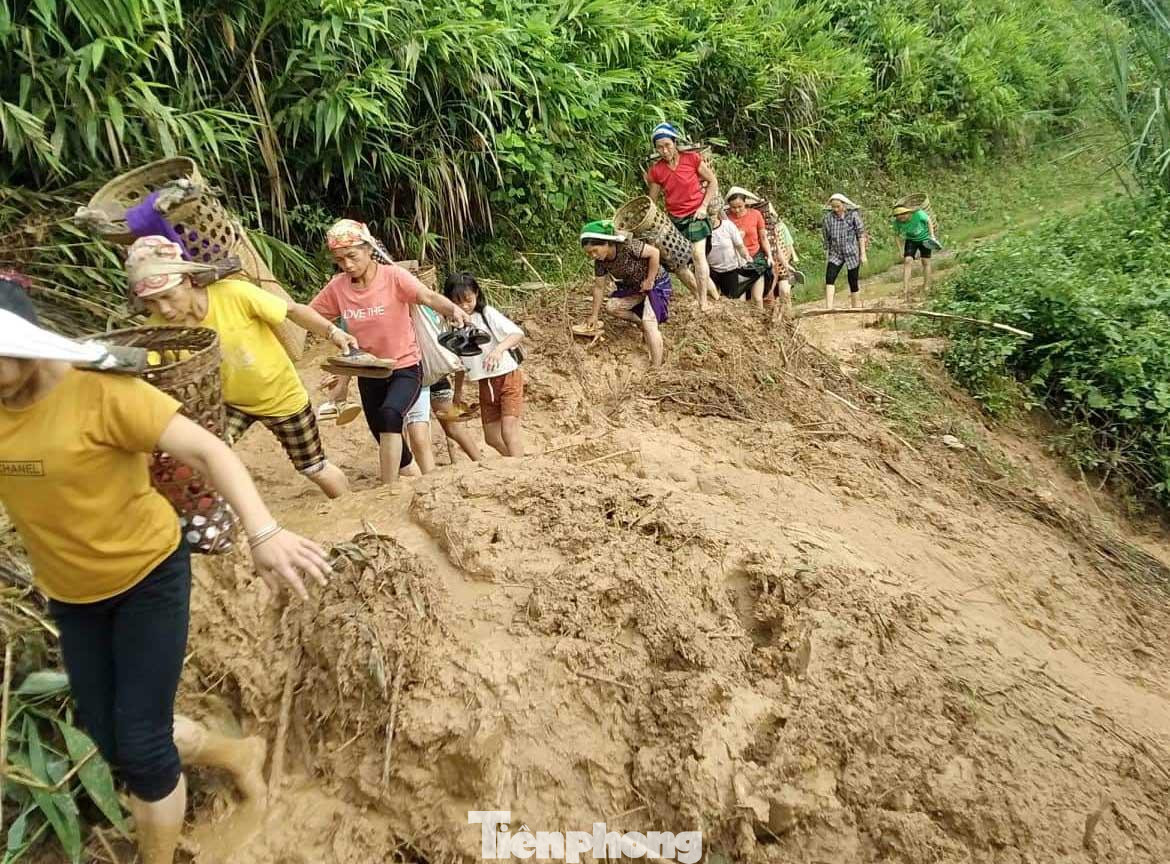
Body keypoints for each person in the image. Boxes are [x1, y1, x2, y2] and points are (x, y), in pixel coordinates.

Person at [0, 279, 331, 864]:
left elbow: (210, 451)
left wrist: (264, 531)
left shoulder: (100, 395)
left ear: (28, 344)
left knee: (145, 752)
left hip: (147, 578)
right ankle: (237, 755)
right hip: (71, 595)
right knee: (112, 739)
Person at [130, 236, 354, 498]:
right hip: (228, 404)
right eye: (152, 302)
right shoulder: (158, 331)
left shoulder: (233, 294)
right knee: (204, 455)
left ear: (189, 280)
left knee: (314, 467)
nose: (164, 309)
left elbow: (292, 311)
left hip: (282, 397)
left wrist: (332, 332)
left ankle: (350, 504)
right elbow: (142, 377)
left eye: (168, 296)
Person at [308, 219, 470, 489]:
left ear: (368, 250)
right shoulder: (338, 287)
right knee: (385, 435)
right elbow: (310, 315)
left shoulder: (393, 277)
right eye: (339, 260)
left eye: (351, 256)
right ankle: (417, 485)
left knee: (391, 414)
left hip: (405, 367)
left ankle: (387, 489)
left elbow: (428, 297)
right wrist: (332, 333)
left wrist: (453, 310)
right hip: (369, 372)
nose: (347, 265)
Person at [443, 273, 526, 457]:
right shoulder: (453, 326)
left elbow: (516, 334)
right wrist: (457, 393)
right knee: (491, 437)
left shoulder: (486, 314)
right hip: (484, 382)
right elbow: (460, 363)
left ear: (477, 294)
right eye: (458, 302)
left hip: (507, 376)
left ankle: (520, 468)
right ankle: (518, 464)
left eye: (468, 300)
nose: (465, 306)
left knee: (508, 430)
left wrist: (498, 351)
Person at [645, 123, 720, 311]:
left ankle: (703, 302)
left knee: (697, 255)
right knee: (678, 265)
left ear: (675, 143)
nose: (664, 150)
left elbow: (712, 181)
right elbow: (652, 201)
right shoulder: (656, 171)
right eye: (659, 147)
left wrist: (703, 206)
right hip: (674, 219)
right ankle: (704, 295)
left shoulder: (692, 159)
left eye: (667, 145)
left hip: (696, 214)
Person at [580, 220, 671, 368]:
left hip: (656, 283)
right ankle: (640, 323)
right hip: (635, 288)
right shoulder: (601, 263)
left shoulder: (628, 246)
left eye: (595, 250)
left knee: (650, 324)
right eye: (589, 253)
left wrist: (650, 280)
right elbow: (599, 287)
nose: (593, 256)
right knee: (612, 307)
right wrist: (594, 315)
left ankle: (657, 368)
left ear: (606, 243)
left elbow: (655, 253)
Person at [725, 188, 793, 316]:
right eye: (733, 207)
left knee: (757, 298)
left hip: (756, 260)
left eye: (740, 206)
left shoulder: (755, 214)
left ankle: (760, 325)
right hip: (738, 263)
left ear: (745, 203)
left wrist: (769, 256)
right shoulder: (727, 220)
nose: (737, 210)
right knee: (740, 301)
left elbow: (763, 238)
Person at [821, 193, 867, 309]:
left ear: (844, 205)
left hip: (851, 252)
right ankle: (828, 308)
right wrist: (827, 254)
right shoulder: (828, 218)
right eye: (833, 207)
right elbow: (826, 237)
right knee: (829, 277)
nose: (836, 209)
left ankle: (855, 307)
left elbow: (860, 234)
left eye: (838, 206)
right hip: (836, 253)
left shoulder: (853, 216)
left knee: (853, 280)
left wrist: (863, 254)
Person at [706, 208, 754, 300]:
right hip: (711, 271)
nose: (711, 218)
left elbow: (740, 246)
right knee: (713, 300)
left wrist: (746, 256)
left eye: (712, 215)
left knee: (732, 300)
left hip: (730, 270)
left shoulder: (727, 226)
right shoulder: (702, 231)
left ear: (717, 214)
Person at [892, 204, 936, 300]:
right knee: (907, 261)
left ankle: (926, 286)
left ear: (908, 213)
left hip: (925, 238)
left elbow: (929, 221)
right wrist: (900, 250)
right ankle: (905, 288)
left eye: (903, 215)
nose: (900, 217)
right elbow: (896, 236)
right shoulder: (897, 223)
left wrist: (932, 236)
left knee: (925, 261)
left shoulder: (919, 214)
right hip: (911, 240)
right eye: (898, 216)